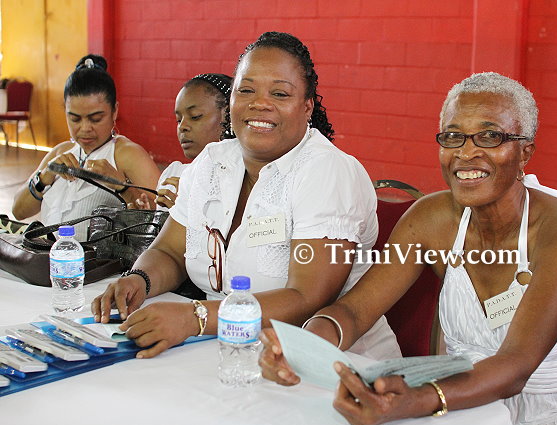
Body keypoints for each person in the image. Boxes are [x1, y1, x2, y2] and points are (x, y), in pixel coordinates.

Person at [260, 72, 557, 425]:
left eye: (490, 136)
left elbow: (515, 367)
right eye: (453, 136)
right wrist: (303, 347)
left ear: (524, 152)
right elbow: (355, 311)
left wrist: (415, 400)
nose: (466, 152)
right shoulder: (432, 219)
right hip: (466, 412)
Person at [91, 32, 401, 361]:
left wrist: (196, 317)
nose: (259, 103)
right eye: (246, 90)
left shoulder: (326, 171)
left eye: (280, 93)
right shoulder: (211, 163)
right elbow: (169, 251)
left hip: (326, 363)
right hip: (223, 350)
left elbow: (308, 297)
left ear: (306, 106)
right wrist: (139, 280)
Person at [12, 54, 160, 239]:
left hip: (98, 257)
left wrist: (122, 187)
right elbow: (18, 211)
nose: (85, 128)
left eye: (95, 119)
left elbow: (162, 220)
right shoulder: (61, 152)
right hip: (54, 254)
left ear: (114, 111)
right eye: (75, 119)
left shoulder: (126, 154)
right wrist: (44, 178)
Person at [134, 73, 233, 211]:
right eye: (179, 120)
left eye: (195, 116)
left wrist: (185, 211)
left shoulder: (241, 182)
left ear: (228, 115)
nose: (182, 127)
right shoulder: (174, 175)